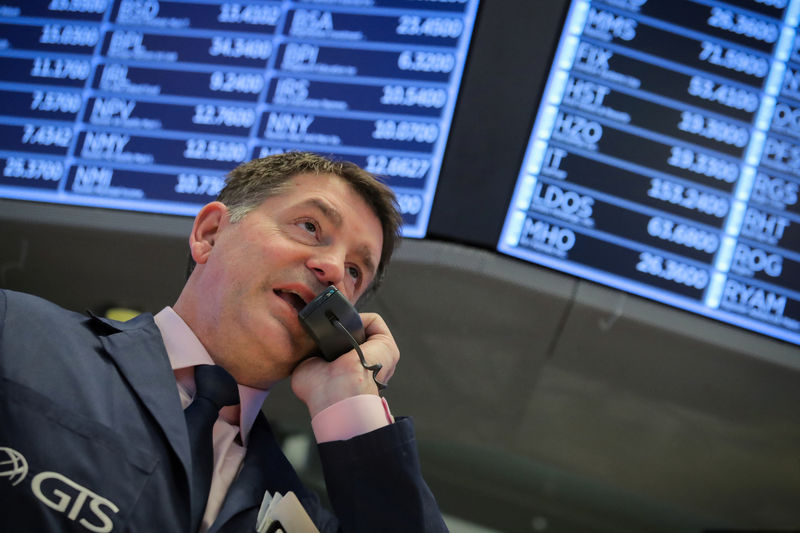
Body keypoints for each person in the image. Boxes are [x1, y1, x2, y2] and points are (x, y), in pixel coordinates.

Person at [0, 152, 447, 532]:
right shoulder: (15, 332)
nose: (332, 268)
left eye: (355, 272)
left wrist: (351, 399)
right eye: (310, 226)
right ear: (210, 234)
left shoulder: (307, 518)